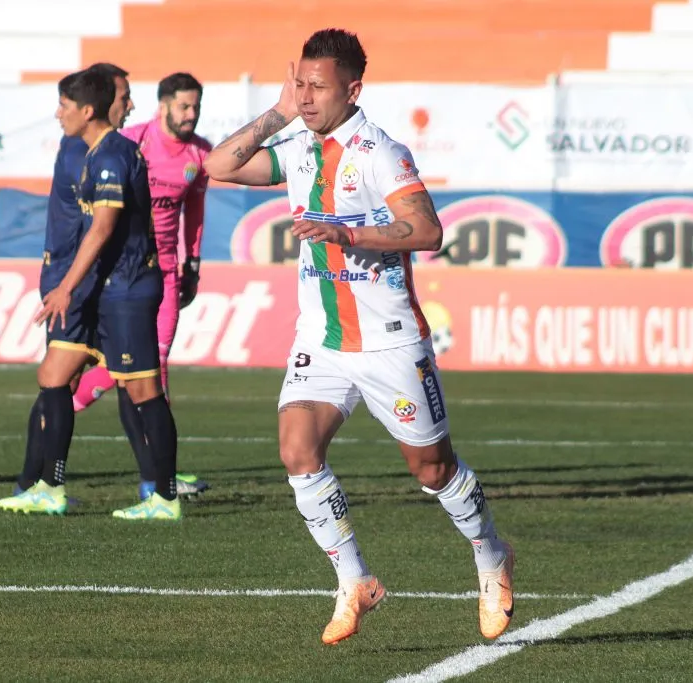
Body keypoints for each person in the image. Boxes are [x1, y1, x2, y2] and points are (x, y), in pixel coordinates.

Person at [202, 28, 515, 644]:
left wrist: (350, 235)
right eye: (302, 83)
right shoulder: (296, 146)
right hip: (321, 338)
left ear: (354, 89)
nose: (308, 95)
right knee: (297, 451)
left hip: (390, 340)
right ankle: (354, 581)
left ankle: (490, 554)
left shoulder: (380, 152)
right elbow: (218, 165)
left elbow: (427, 231)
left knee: (431, 470)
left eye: (319, 86)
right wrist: (279, 111)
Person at [0, 67, 183, 521]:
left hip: (127, 289)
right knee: (53, 375)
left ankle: (165, 496)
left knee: (144, 391)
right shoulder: (94, 151)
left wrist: (64, 286)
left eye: (64, 106)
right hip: (103, 288)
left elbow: (102, 226)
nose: (58, 114)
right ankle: (49, 486)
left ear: (86, 111)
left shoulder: (110, 156)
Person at [72, 72, 213, 502]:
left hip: (165, 274)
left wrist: (193, 261)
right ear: (163, 106)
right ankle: (64, 404)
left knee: (155, 367)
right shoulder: (131, 142)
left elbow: (195, 207)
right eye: (184, 107)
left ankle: (159, 476)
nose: (190, 115)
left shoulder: (199, 154)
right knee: (130, 370)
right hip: (122, 272)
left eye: (196, 108)